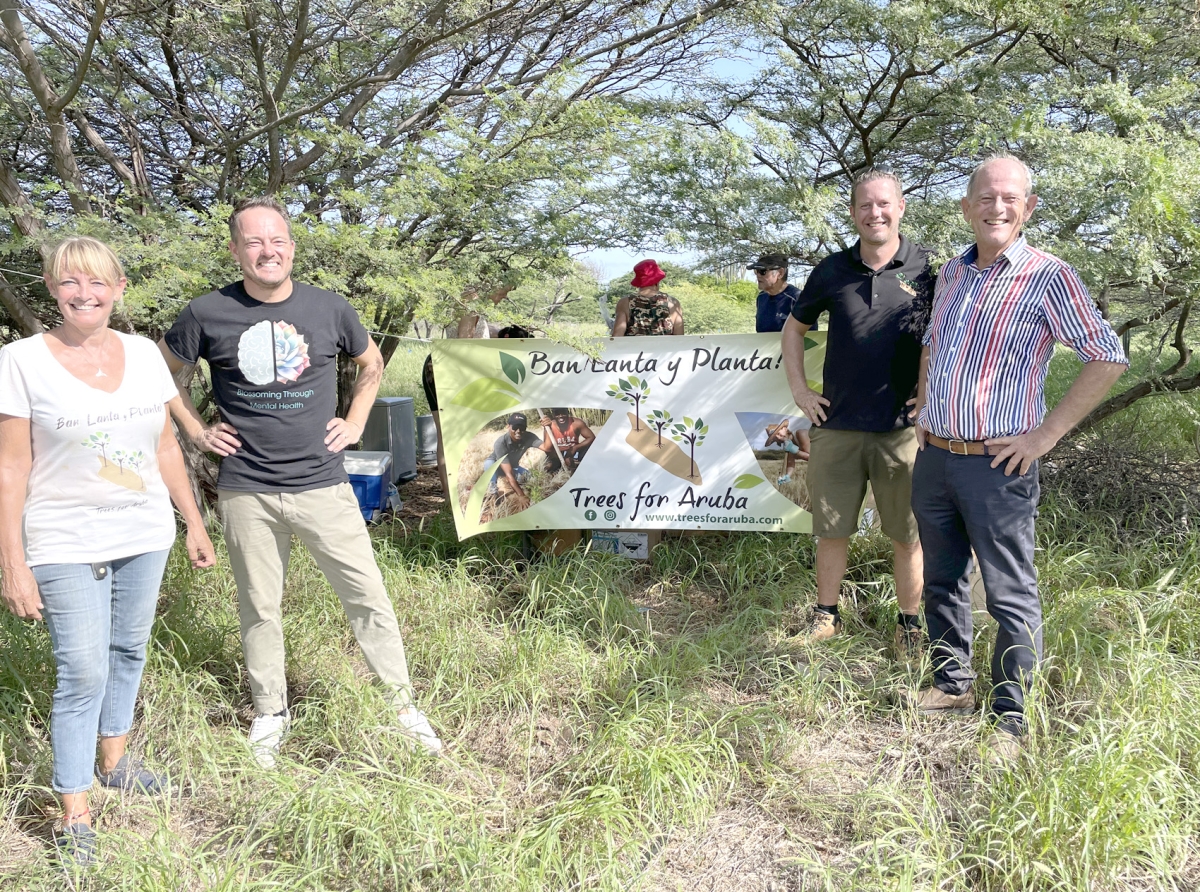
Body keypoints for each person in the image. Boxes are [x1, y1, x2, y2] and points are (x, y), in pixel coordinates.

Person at [159, 196, 441, 768]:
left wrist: (357, 421)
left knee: (368, 597)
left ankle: (403, 709)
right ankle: (270, 713)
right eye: (255, 241)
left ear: (291, 247)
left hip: (323, 485)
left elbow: (371, 365)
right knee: (260, 607)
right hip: (246, 489)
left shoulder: (329, 308)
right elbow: (163, 374)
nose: (269, 250)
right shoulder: (205, 312)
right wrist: (194, 429)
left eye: (278, 240)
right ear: (236, 249)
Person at [0, 237, 215, 865]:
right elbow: (11, 470)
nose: (84, 293)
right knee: (82, 670)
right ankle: (74, 810)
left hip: (144, 532)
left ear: (118, 288)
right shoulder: (19, 361)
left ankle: (115, 759)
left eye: (97, 282)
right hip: (62, 538)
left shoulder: (145, 354)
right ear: (51, 288)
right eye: (70, 281)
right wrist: (13, 563)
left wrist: (194, 523)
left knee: (128, 647)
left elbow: (167, 446)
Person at [911, 153, 1127, 760]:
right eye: (986, 197)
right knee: (942, 578)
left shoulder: (1047, 275)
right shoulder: (951, 274)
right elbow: (932, 346)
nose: (997, 207)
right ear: (966, 207)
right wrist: (924, 411)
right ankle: (952, 684)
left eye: (1010, 198)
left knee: (1009, 591)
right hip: (936, 455)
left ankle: (1011, 714)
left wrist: (1044, 436)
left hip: (997, 465)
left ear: (1028, 208)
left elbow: (1107, 356)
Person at [781, 168, 934, 663]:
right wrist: (801, 391)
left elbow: (938, 339)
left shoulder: (927, 269)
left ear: (901, 207)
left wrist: (927, 395)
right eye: (865, 205)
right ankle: (827, 615)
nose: (876, 213)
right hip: (837, 427)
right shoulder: (831, 270)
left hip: (901, 431)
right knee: (831, 529)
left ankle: (909, 626)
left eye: (884, 204)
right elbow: (793, 329)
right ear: (853, 213)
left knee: (908, 536)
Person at [482, 412, 545, 510]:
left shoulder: (529, 437)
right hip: (497, 465)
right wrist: (521, 496)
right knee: (489, 463)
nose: (518, 431)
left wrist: (547, 427)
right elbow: (509, 474)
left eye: (522, 428)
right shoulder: (500, 442)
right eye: (515, 427)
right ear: (508, 426)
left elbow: (547, 447)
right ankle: (492, 490)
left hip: (513, 466)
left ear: (526, 428)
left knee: (531, 477)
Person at [612, 259, 684, 336]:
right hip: (665, 347)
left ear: (638, 282)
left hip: (633, 348)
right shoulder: (673, 303)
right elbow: (679, 339)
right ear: (657, 281)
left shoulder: (625, 302)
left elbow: (617, 337)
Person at [538, 408, 595, 474]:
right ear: (553, 415)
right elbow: (548, 449)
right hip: (557, 454)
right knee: (549, 468)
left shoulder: (577, 423)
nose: (561, 416)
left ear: (568, 413)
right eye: (557, 414)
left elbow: (591, 437)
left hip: (574, 451)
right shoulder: (549, 426)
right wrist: (562, 459)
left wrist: (575, 448)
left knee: (589, 451)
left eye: (563, 413)